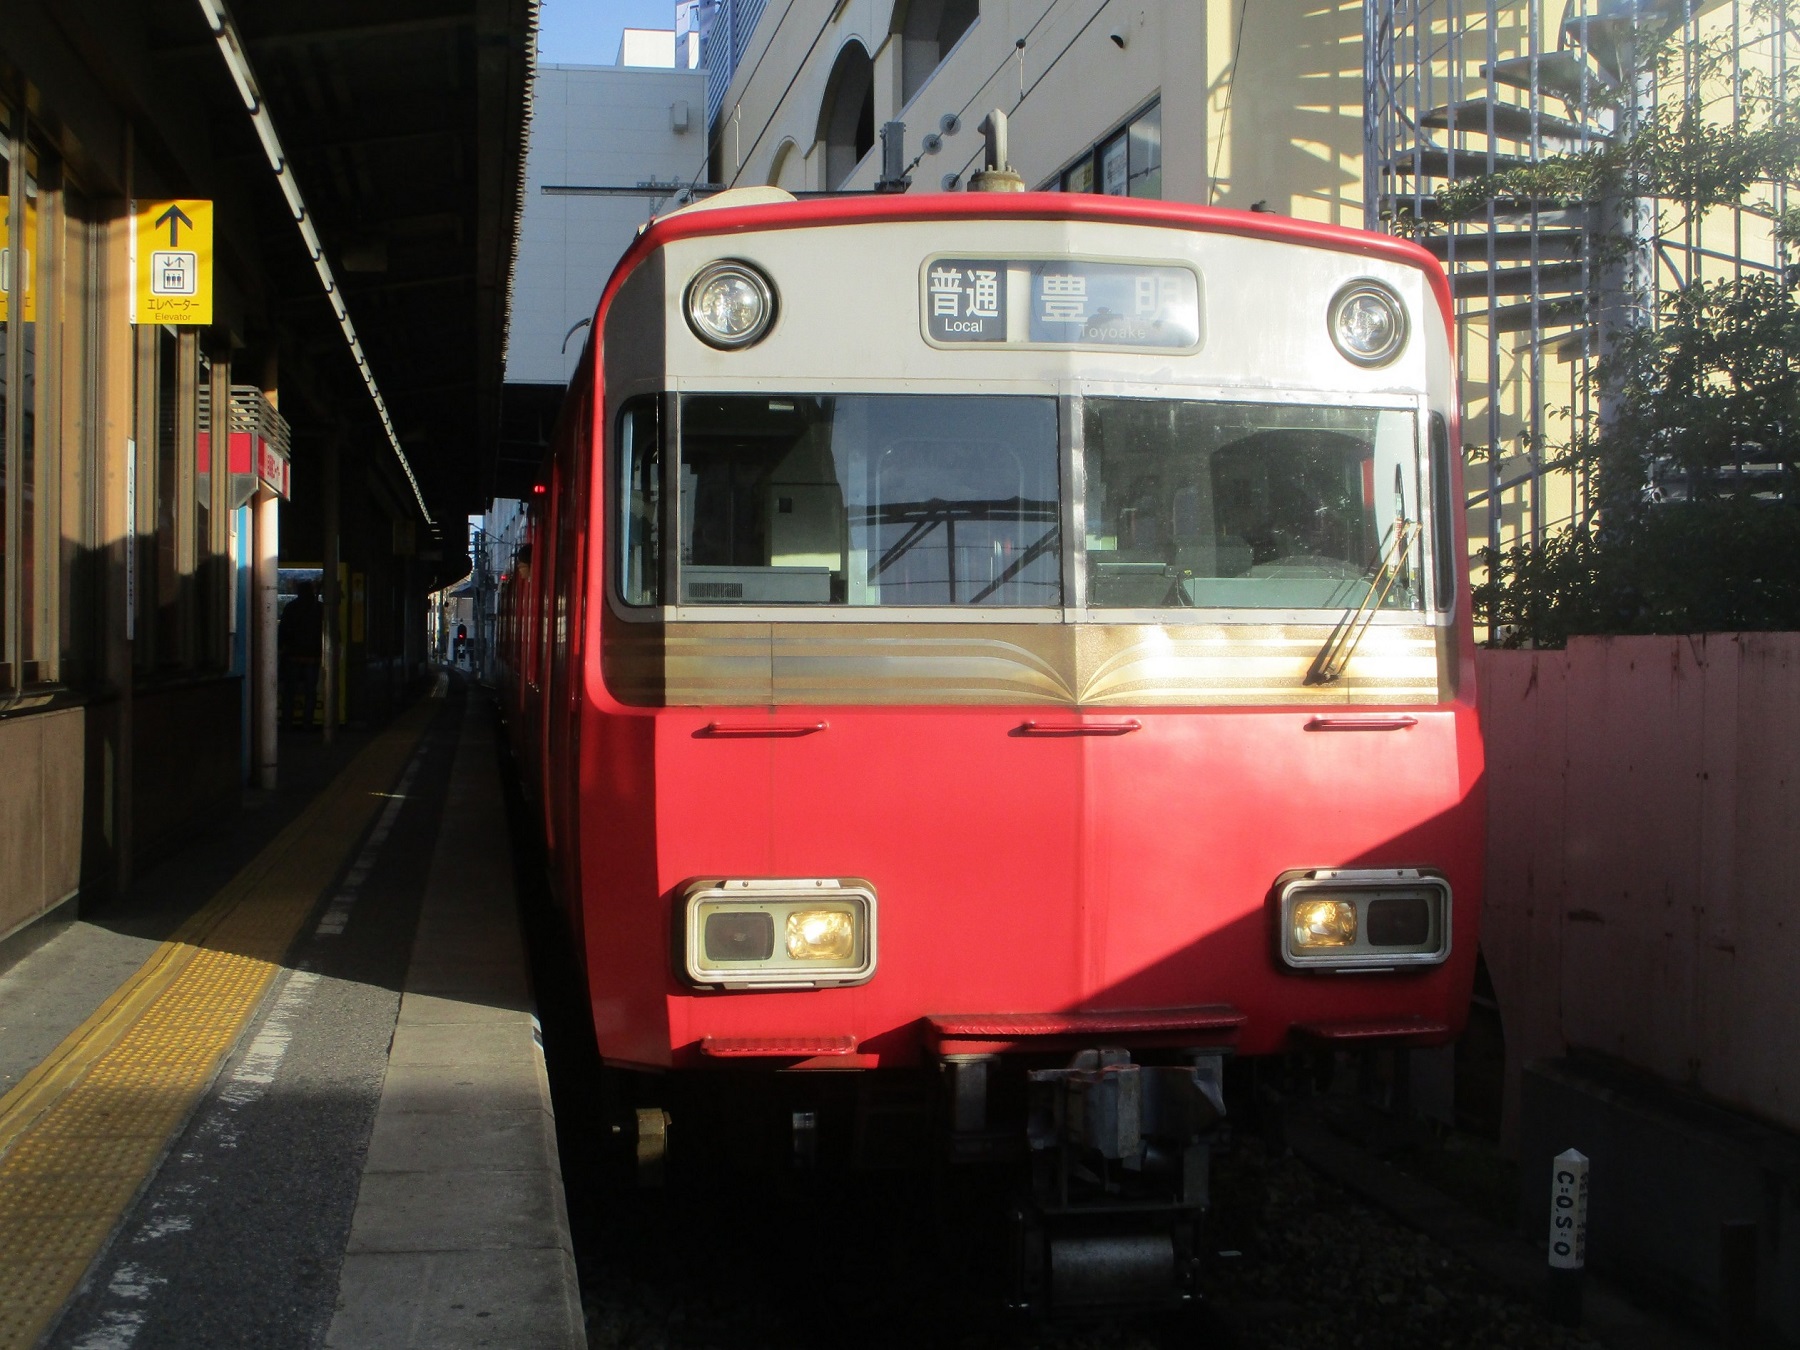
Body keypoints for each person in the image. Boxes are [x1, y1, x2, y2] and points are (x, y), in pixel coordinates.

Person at [280, 581, 323, 730]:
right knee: (310, 692)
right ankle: (307, 723)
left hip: (293, 655)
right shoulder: (318, 608)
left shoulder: (291, 607)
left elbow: (283, 631)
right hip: (313, 656)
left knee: (289, 691)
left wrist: (282, 647)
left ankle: (287, 722)